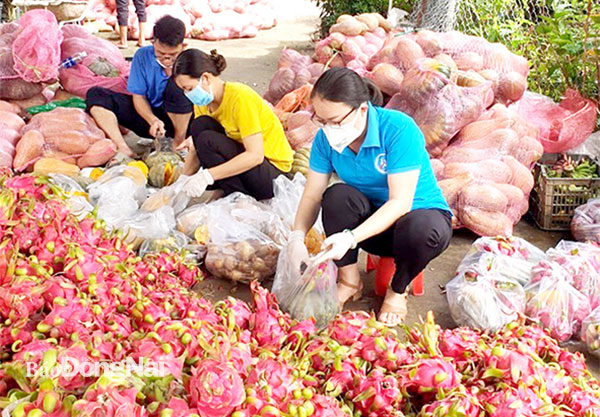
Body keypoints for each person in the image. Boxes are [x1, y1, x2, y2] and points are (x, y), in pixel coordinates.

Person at [287, 68, 453, 327]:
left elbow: (400, 203)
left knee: (420, 229)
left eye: (335, 121)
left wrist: (350, 237)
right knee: (335, 197)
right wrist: (297, 236)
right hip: (372, 230)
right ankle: (349, 280)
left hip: (416, 225)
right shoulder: (325, 140)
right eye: (321, 120)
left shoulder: (398, 130)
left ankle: (398, 290)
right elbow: (312, 195)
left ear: (362, 110)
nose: (328, 129)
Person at [172, 48, 294, 201]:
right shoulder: (203, 104)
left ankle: (238, 197)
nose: (187, 94)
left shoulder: (240, 97)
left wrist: (207, 176)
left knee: (207, 139)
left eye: (189, 88)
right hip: (247, 167)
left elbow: (255, 156)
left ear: (206, 78)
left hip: (272, 175)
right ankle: (228, 190)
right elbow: (196, 149)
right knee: (200, 126)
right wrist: (179, 185)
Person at [86, 15, 193, 158]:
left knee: (176, 88)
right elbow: (139, 96)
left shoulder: (192, 60)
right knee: (96, 94)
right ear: (153, 42)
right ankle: (123, 149)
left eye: (173, 55)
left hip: (184, 122)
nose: (167, 59)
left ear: (183, 46)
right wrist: (152, 120)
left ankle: (178, 145)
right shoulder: (142, 56)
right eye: (161, 54)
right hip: (153, 122)